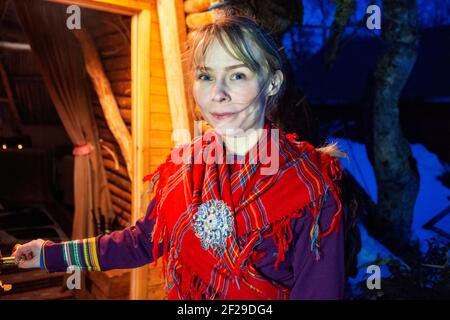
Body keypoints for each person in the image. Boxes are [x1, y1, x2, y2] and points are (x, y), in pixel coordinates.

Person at [12, 15, 348, 300]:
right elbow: (142, 242)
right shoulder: (182, 168)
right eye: (205, 75)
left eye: (238, 75)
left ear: (272, 83)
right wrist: (51, 254)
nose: (217, 93)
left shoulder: (310, 188)